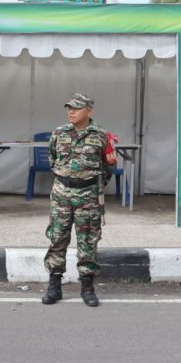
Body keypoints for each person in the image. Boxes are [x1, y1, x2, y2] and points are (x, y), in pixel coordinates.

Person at [40, 93, 116, 308]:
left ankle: (87, 287)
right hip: (62, 193)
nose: (71, 112)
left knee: (88, 241)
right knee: (57, 238)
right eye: (69, 108)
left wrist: (90, 185)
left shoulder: (101, 135)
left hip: (88, 195)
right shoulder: (59, 133)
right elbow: (52, 159)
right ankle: (54, 286)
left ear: (89, 111)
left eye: (77, 108)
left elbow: (109, 165)